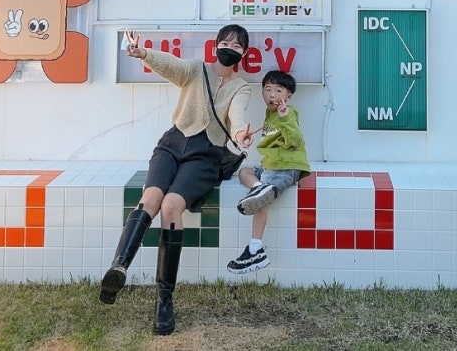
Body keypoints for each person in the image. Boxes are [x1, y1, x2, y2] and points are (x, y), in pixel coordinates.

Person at [100, 24, 256, 335]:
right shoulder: (195, 70)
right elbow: (171, 64)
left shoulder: (242, 87)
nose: (229, 48)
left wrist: (240, 134)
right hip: (171, 144)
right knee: (151, 198)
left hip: (205, 155)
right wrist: (142, 52)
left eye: (236, 46)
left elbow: (238, 116)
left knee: (171, 207)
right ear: (215, 45)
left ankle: (164, 300)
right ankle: (119, 267)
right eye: (225, 42)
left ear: (243, 53)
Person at [227, 69, 311, 274]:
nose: (271, 95)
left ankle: (255, 249)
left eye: (278, 90)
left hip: (286, 166)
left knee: (263, 198)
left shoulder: (288, 113)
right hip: (271, 165)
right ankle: (259, 188)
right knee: (245, 172)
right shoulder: (269, 113)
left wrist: (284, 119)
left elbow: (295, 141)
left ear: (288, 96)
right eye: (267, 89)